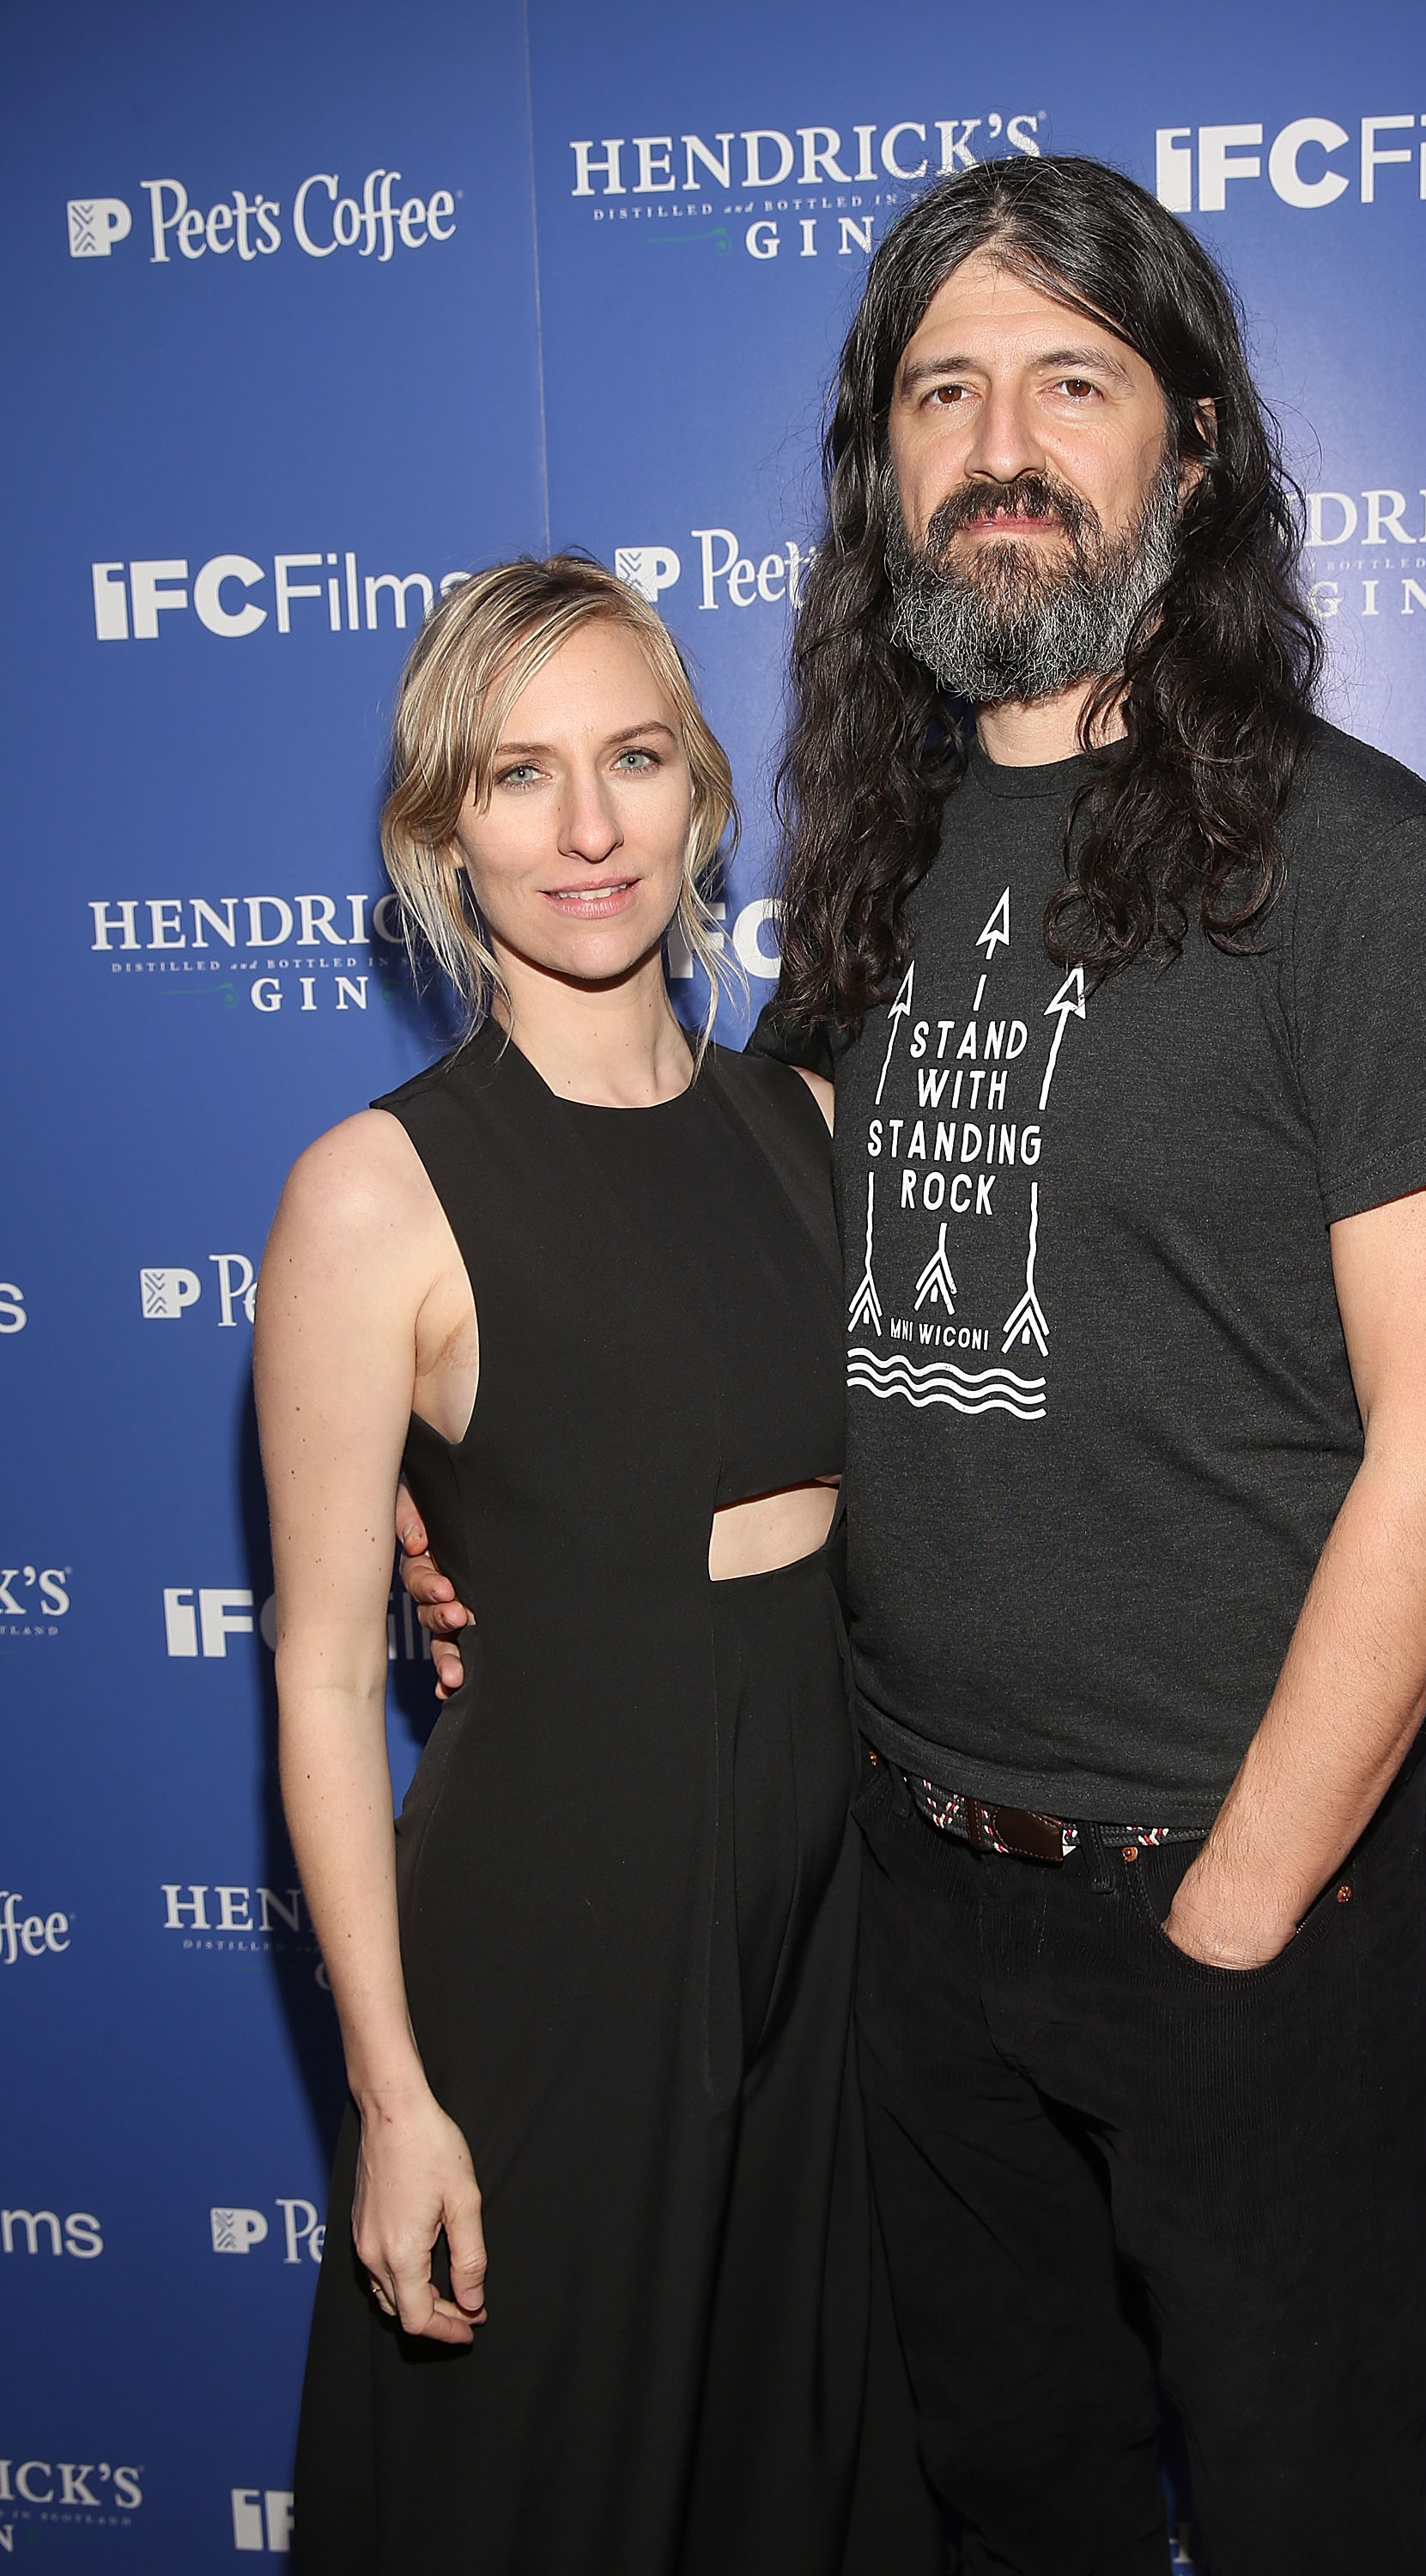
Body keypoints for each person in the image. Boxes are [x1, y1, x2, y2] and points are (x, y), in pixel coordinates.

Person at [410, 158, 1426, 2574]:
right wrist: (480, 1486)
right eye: (942, 392)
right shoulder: (878, 867)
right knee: (995, 2524)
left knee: (1302, 2528)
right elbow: (719, 1279)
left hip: (1242, 1912)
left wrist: (1224, 1913)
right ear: (881, 467)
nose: (998, 442)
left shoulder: (1353, 858)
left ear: (1190, 449)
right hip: (905, 1911)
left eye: (1066, 383)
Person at [256, 556, 933, 2575]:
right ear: (437, 833)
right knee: (542, 2491)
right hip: (558, 1929)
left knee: (796, 2487)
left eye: (631, 758)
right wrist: (390, 2100)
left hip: (838, 1928)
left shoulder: (810, 1124)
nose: (583, 827)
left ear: (701, 795)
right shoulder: (374, 1192)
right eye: (516, 773)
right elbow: (310, 1676)